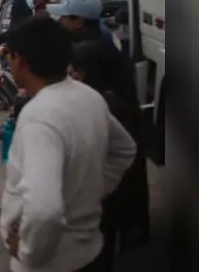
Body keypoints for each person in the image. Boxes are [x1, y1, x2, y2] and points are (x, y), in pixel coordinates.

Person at [0, 17, 136, 272]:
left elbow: (44, 211)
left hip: (53, 263)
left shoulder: (40, 118)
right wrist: (92, 191)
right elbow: (125, 150)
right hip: (91, 250)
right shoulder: (88, 96)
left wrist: (28, 252)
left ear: (21, 60)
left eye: (9, 54)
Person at [68, 40, 150, 269]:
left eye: (76, 72)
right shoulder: (110, 99)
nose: (72, 78)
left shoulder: (104, 105)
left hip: (102, 203)